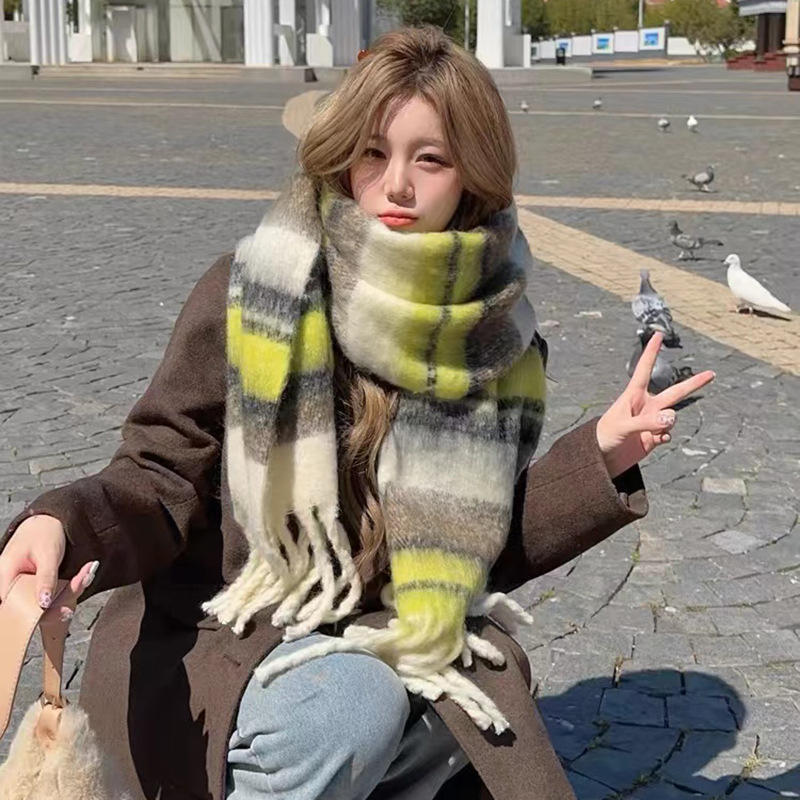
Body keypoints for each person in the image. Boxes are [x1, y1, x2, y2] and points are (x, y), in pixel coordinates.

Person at [0, 26, 714, 800]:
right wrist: (62, 522)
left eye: (429, 159)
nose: (396, 185)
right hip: (225, 637)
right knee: (351, 702)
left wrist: (601, 453)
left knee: (480, 696)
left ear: (472, 173)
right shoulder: (257, 291)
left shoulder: (496, 339)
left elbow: (479, 548)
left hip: (378, 629)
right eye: (374, 153)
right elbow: (158, 473)